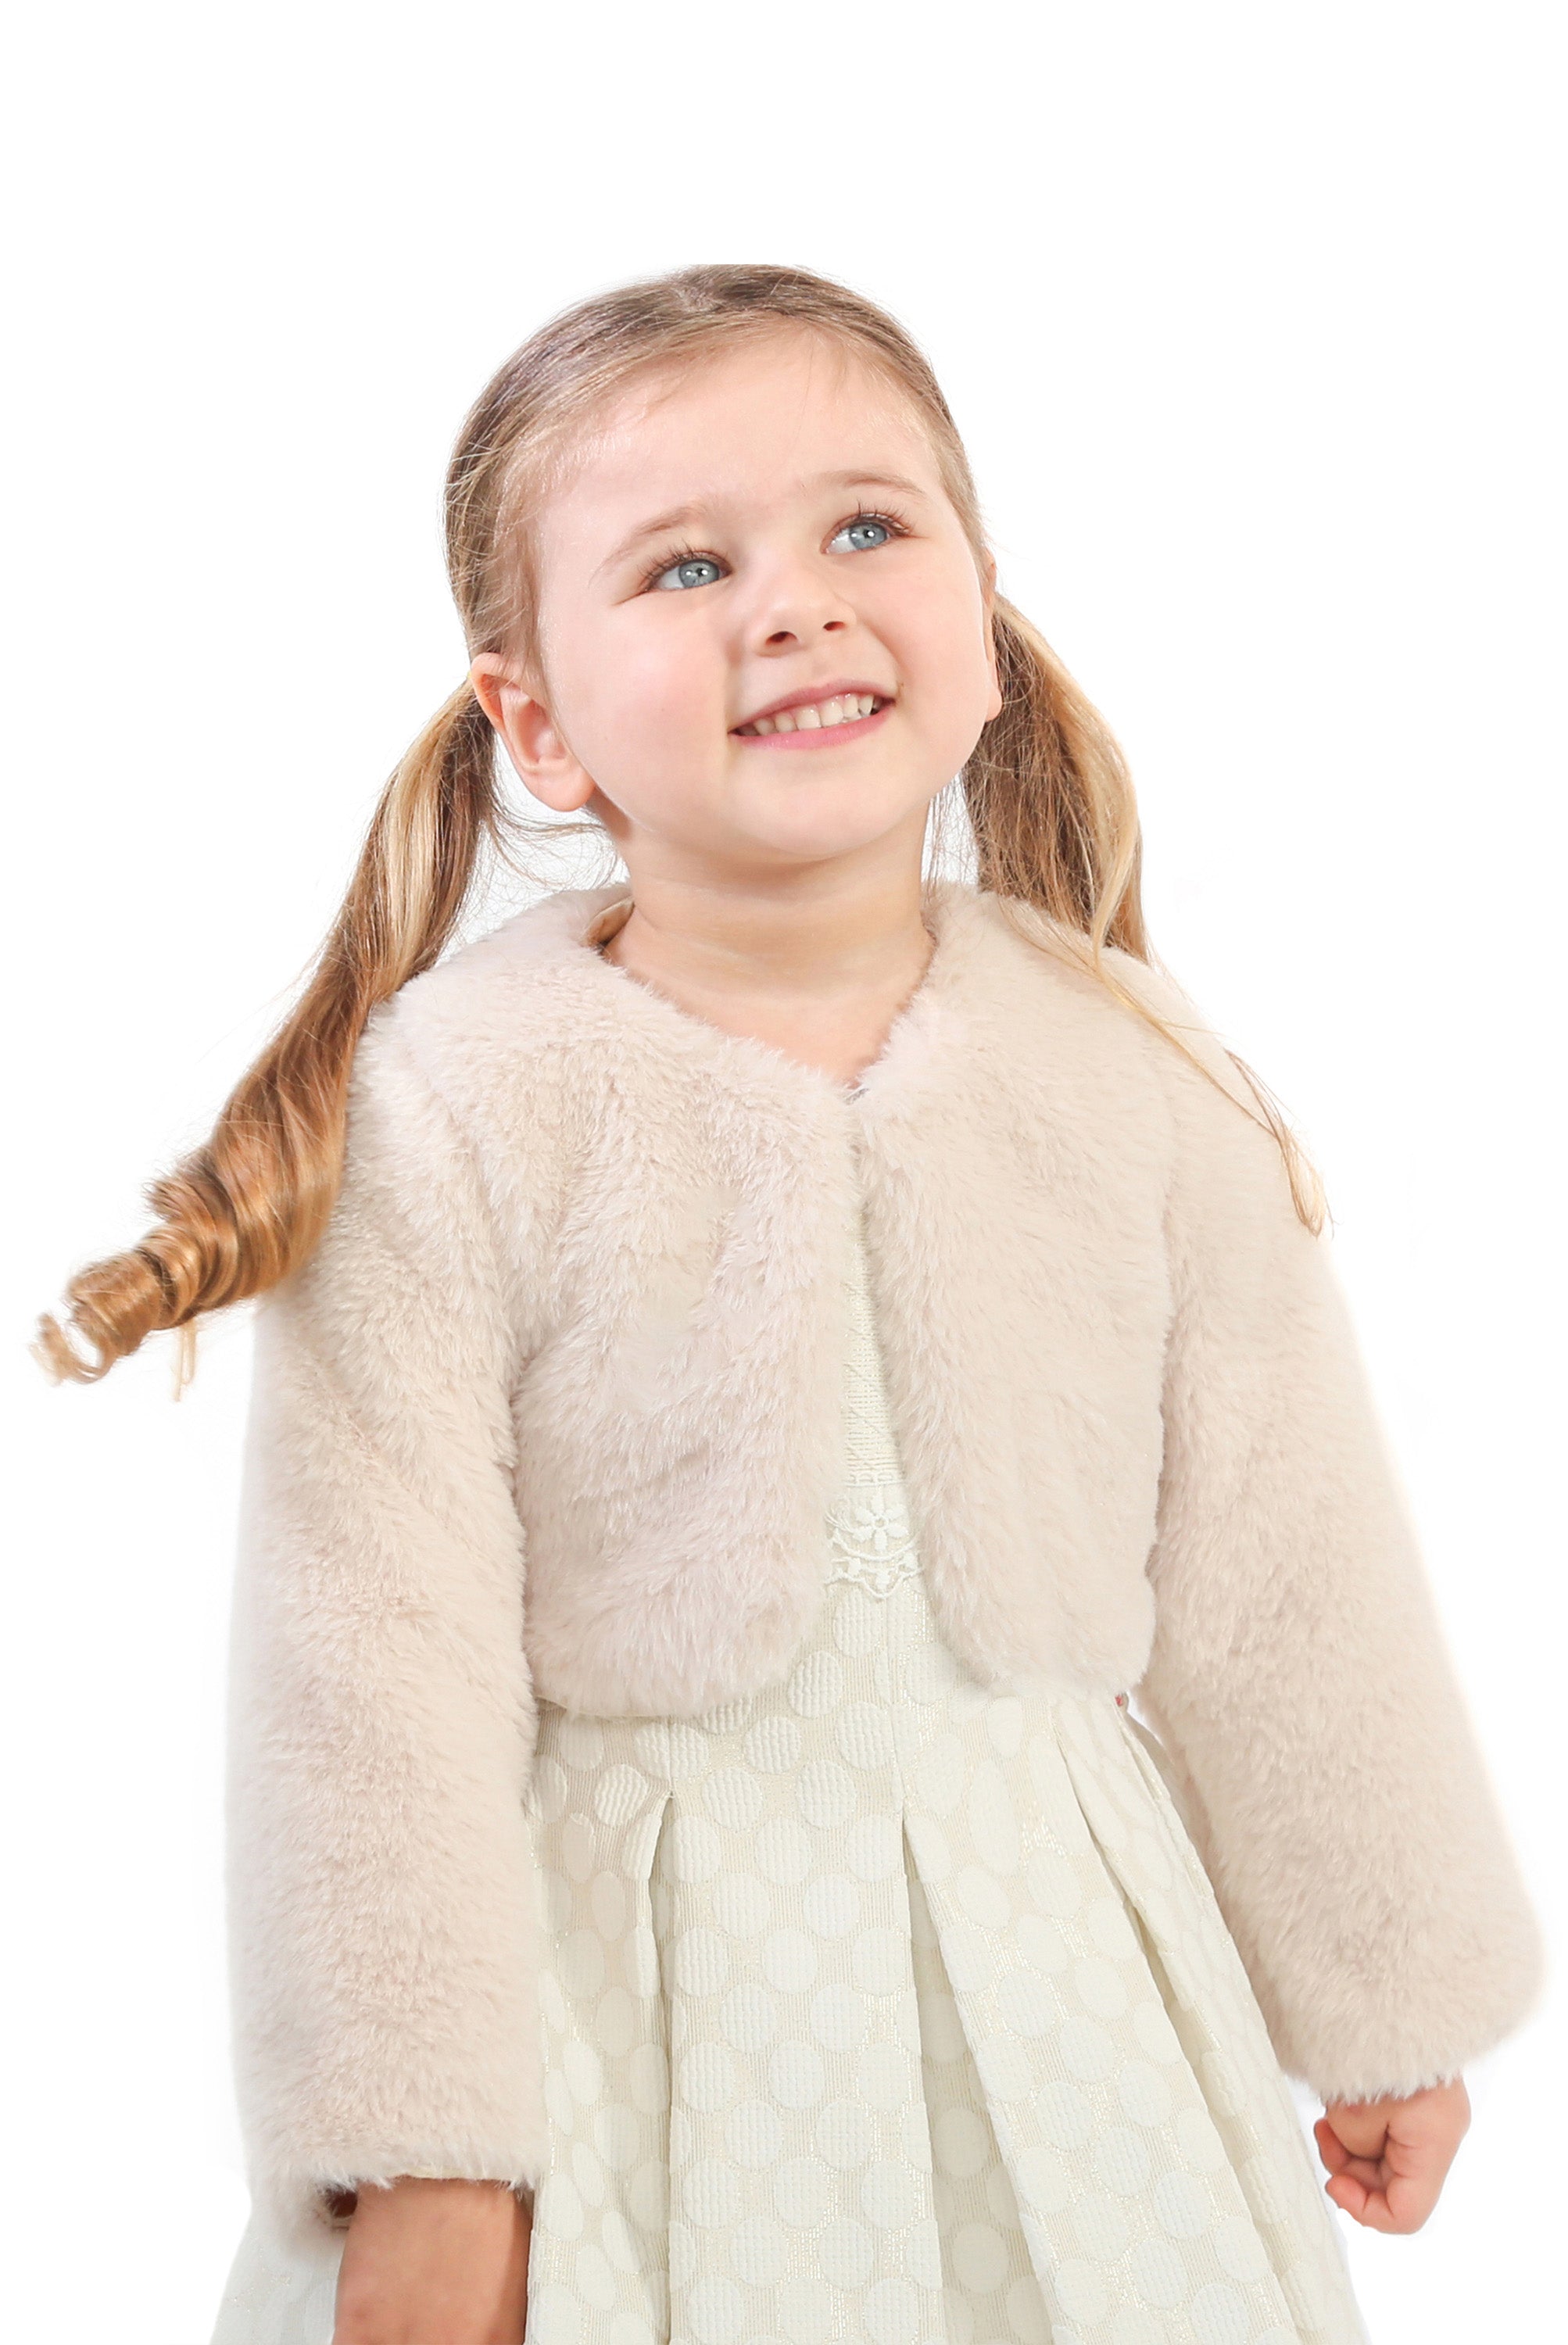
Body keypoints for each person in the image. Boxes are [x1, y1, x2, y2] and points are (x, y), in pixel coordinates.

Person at [36, 263, 1544, 2345]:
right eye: (685, 565)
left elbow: (1287, 1569)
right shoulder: (454, 1116)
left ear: (983, 618)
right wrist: (431, 2158)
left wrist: (1377, 1992)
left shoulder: (1133, 1072)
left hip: (1069, 1991)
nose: (796, 607)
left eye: (865, 527)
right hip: (618, 2020)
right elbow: (368, 1680)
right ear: (535, 722)